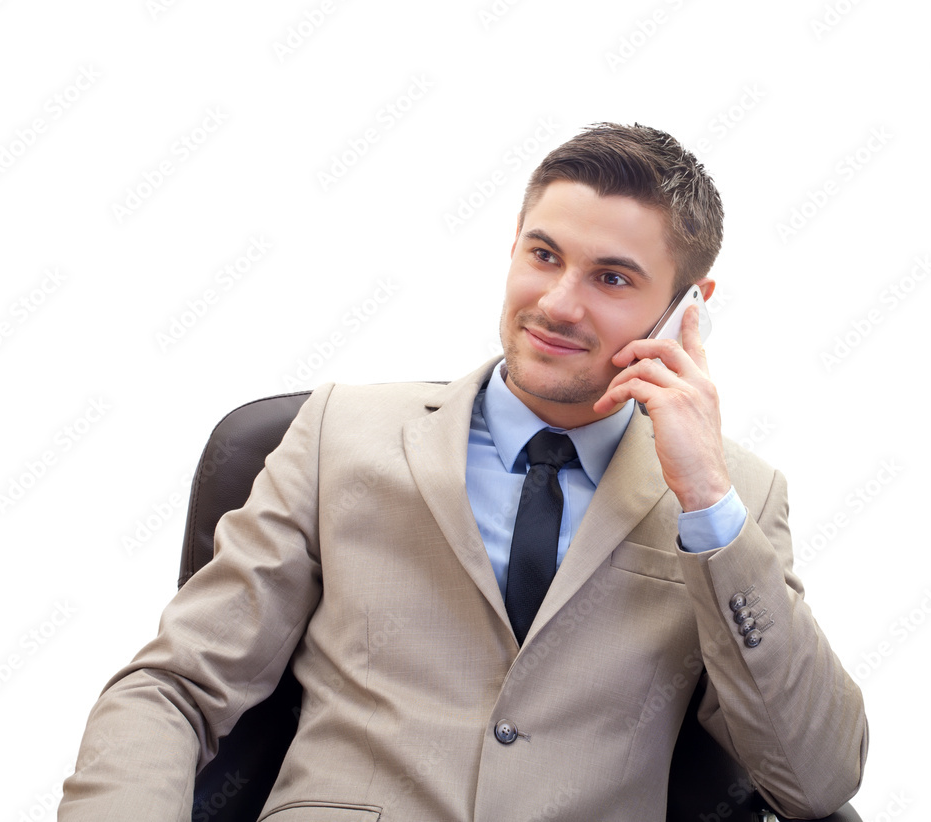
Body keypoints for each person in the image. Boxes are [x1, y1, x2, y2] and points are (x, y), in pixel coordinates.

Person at [58, 122, 867, 821]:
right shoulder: (341, 433)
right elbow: (173, 688)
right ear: (513, 246)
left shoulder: (732, 499)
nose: (558, 303)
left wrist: (706, 501)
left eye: (612, 278)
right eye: (543, 255)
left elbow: (816, 780)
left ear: (689, 305)